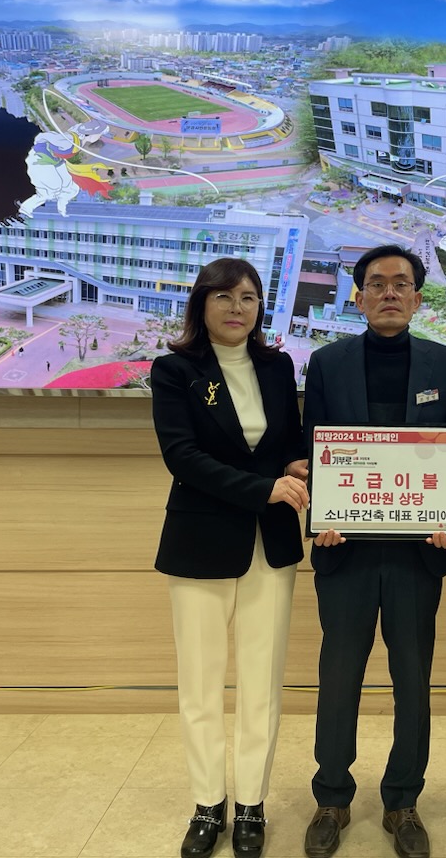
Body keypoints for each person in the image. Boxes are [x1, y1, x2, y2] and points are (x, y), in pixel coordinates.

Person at [302, 244, 446, 858]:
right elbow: (312, 449)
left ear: (418, 298)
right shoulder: (327, 363)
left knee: (412, 682)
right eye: (377, 283)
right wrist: (321, 512)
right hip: (344, 549)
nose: (390, 292)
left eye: (402, 283)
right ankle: (332, 797)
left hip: (416, 555)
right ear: (359, 296)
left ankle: (402, 801)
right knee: (338, 679)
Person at [151, 257, 310, 858]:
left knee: (261, 683)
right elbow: (182, 456)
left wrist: (300, 466)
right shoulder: (175, 370)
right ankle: (206, 804)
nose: (237, 308)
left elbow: (288, 443)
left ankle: (250, 804)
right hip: (200, 541)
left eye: (248, 297)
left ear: (260, 306)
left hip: (271, 543)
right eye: (223, 296)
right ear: (202, 304)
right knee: (200, 683)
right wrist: (263, 487)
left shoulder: (276, 366)